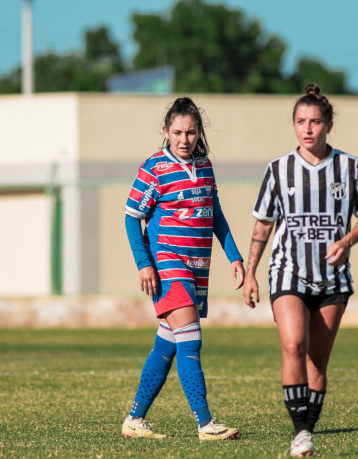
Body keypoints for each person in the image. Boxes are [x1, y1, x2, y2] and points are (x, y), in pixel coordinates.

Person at [242, 85, 358, 457]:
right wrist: (251, 272)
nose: (308, 128)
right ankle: (300, 432)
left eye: (315, 121)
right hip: (287, 272)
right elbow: (263, 226)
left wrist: (347, 240)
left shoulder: (349, 167)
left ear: (328, 125)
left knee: (318, 358)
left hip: (333, 279)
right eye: (301, 121)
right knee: (292, 345)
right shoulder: (279, 169)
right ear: (294, 126)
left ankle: (308, 427)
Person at [122, 97, 245, 441]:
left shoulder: (204, 165)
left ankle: (134, 421)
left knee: (168, 344)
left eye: (191, 132)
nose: (184, 139)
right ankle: (206, 424)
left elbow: (215, 213)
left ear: (198, 132)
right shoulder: (154, 167)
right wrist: (144, 264)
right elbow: (132, 218)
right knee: (191, 341)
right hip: (167, 263)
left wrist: (234, 256)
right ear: (166, 131)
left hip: (197, 266)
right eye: (177, 131)